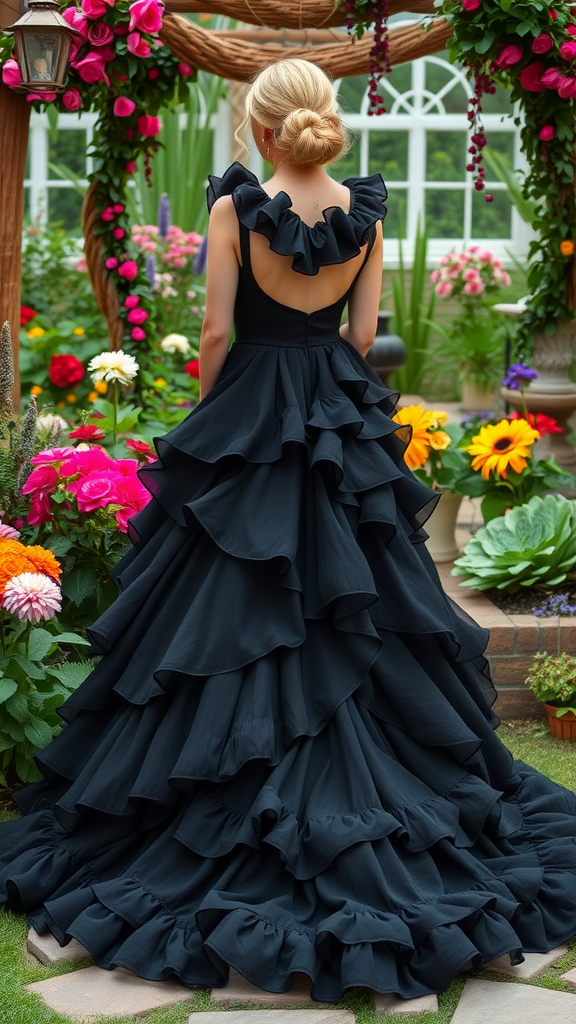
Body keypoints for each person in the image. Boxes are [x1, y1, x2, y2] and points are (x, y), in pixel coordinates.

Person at [1, 58, 575, 1004]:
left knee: (222, 610)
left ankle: (209, 801)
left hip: (252, 406)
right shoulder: (366, 210)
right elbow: (363, 338)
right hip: (334, 412)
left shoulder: (235, 210)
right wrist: (323, 389)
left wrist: (215, 415)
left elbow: (217, 335)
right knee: (367, 601)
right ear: (320, 118)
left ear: (260, 130)